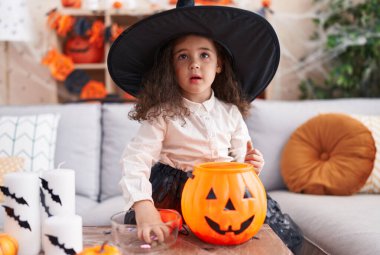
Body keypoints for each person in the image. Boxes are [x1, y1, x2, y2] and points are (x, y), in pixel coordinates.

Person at [108, 0, 302, 252]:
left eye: (204, 54)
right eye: (183, 56)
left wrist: (252, 164)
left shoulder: (231, 112)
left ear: (219, 64)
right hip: (174, 195)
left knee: (267, 238)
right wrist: (144, 206)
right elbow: (136, 159)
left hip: (224, 193)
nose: (195, 64)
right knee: (176, 246)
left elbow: (241, 158)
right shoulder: (162, 114)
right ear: (171, 67)